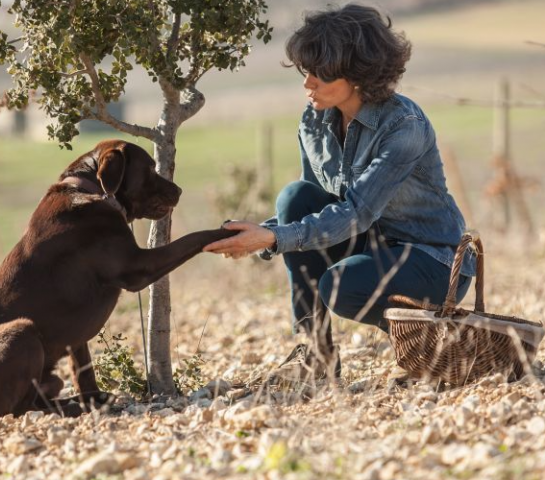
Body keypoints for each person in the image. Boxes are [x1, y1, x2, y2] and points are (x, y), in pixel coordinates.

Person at [203, 3, 476, 381]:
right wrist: (258, 233)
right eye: (305, 70)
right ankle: (314, 357)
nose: (307, 82)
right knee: (294, 198)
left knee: (339, 286)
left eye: (320, 73)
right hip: (369, 245)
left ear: (359, 74)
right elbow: (307, 212)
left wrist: (272, 237)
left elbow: (357, 212)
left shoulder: (403, 126)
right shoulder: (313, 119)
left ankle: (431, 346)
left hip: (431, 262)